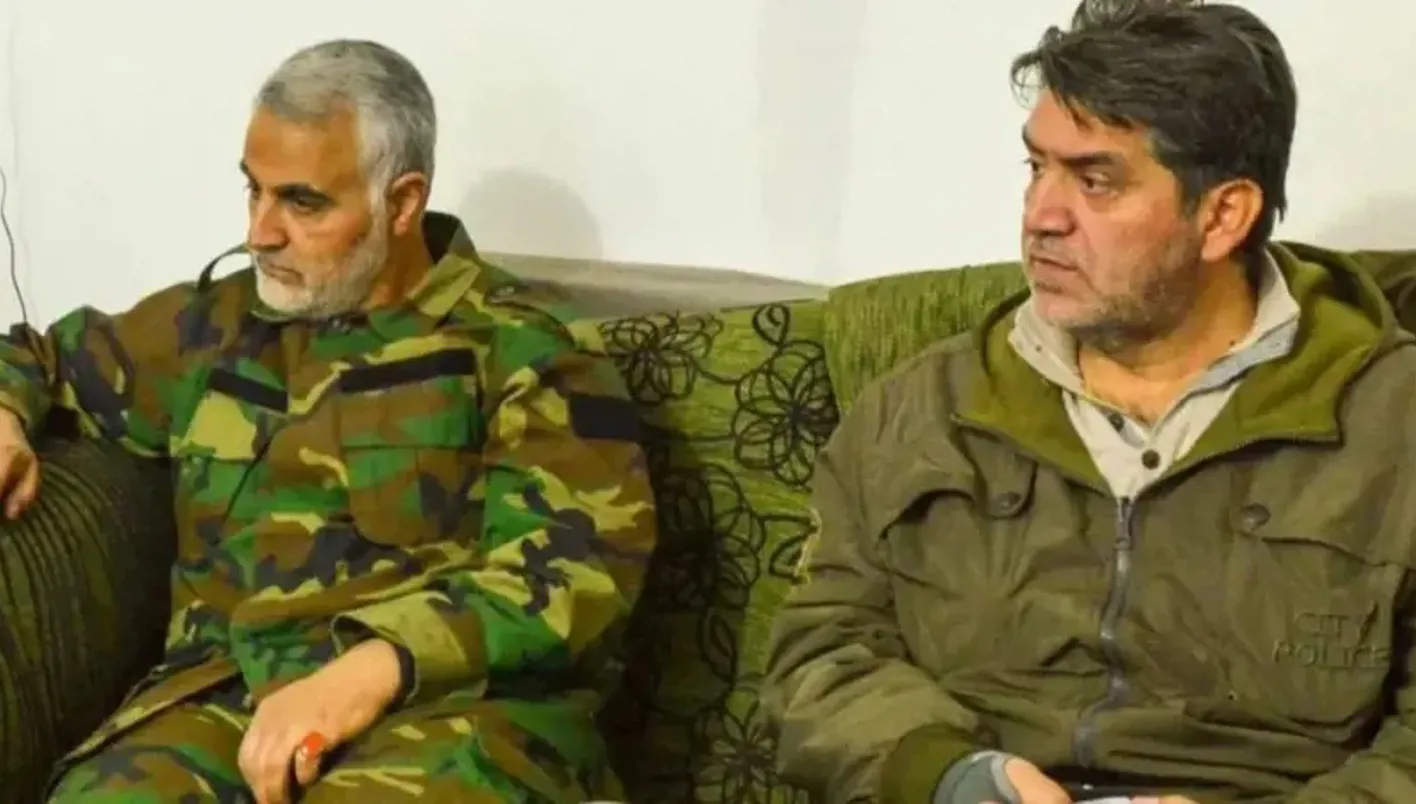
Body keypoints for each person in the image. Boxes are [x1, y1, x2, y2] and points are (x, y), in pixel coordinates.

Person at [765, 2, 1416, 803]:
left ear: (1222, 216)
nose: (1041, 216)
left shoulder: (1394, 422)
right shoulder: (921, 409)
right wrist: (950, 778)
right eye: (1036, 168)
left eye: (1094, 181)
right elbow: (822, 653)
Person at [3, 39, 656, 803]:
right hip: (221, 698)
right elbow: (39, 357)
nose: (261, 232)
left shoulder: (523, 349)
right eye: (254, 191)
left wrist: (376, 667)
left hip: (454, 712)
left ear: (401, 203)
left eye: (302, 202)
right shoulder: (215, 324)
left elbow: (578, 571)